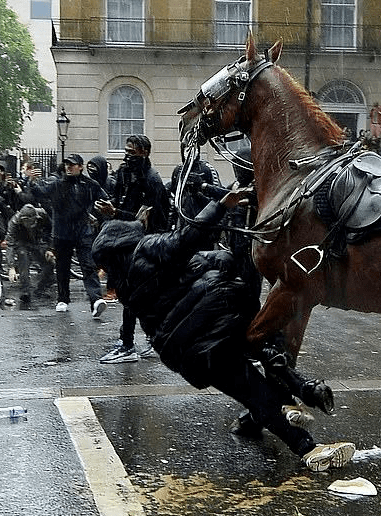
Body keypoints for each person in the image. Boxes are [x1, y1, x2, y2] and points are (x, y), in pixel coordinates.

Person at [91, 188, 355, 472]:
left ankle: (307, 448)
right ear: (127, 239)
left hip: (191, 355)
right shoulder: (147, 248)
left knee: (253, 393)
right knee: (267, 336)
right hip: (219, 322)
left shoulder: (123, 286)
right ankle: (297, 392)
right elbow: (187, 238)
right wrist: (220, 206)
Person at [95, 135, 171, 362]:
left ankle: (128, 343)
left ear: (144, 153)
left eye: (132, 152)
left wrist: (117, 214)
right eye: (126, 151)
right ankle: (149, 338)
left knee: (133, 294)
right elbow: (120, 204)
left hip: (142, 245)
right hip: (123, 243)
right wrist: (111, 210)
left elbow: (152, 222)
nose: (127, 156)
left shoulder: (152, 181)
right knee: (134, 295)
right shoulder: (124, 174)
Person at [27, 153, 109, 315]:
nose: (68, 167)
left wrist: (99, 211)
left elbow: (104, 199)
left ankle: (96, 299)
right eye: (66, 165)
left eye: (72, 164)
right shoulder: (57, 184)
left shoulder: (89, 184)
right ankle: (63, 299)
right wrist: (31, 181)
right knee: (63, 267)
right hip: (62, 233)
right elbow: (40, 192)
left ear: (80, 167)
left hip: (82, 231)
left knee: (88, 265)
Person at [5, 203, 55, 306]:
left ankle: (42, 288)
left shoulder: (43, 215)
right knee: (23, 261)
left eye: (32, 221)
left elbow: (52, 231)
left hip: (38, 241)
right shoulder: (14, 222)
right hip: (22, 243)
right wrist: (11, 266)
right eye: (27, 222)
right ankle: (25, 291)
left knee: (48, 264)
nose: (30, 224)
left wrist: (51, 249)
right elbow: (10, 244)